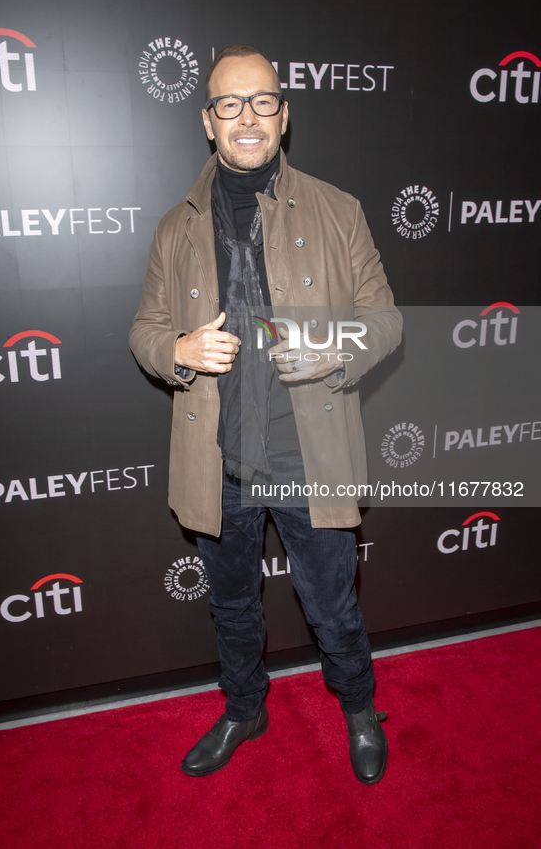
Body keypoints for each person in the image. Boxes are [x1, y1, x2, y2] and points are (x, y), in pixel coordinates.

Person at [129, 46, 402, 784]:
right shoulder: (173, 228)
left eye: (261, 102)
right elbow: (144, 332)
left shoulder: (337, 208)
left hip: (306, 451)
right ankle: (244, 708)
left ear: (284, 114)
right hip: (215, 455)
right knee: (231, 606)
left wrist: (331, 348)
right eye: (228, 104)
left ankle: (356, 709)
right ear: (206, 121)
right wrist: (178, 346)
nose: (246, 118)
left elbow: (385, 321)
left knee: (331, 605)